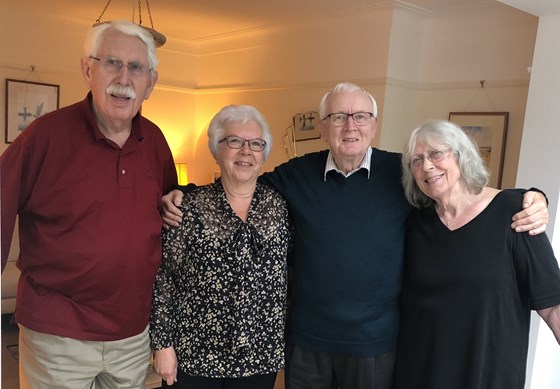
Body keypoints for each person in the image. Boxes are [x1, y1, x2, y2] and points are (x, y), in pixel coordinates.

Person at [161, 83, 548, 389]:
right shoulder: (296, 174)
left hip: (375, 345)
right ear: (324, 125)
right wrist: (187, 192)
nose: (350, 127)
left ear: (373, 125)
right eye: (339, 117)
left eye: (360, 116)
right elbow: (241, 180)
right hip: (307, 341)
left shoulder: (402, 173)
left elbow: (456, 197)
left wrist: (529, 197)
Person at [0, 20, 177, 388]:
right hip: (58, 334)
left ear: (151, 84)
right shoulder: (44, 136)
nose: (124, 79)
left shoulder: (156, 141)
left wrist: (180, 196)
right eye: (111, 62)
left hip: (131, 335)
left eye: (136, 68)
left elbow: (166, 208)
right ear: (87, 70)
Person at [393, 120, 560, 388]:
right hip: (420, 373)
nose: (426, 166)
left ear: (461, 156)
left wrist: (537, 196)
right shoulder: (414, 224)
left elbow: (552, 304)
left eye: (436, 154)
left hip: (487, 374)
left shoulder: (514, 212)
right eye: (416, 160)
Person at [150, 104, 293, 389]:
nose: (246, 151)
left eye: (255, 144)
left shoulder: (278, 207)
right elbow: (164, 279)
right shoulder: (189, 208)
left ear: (263, 154)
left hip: (258, 355)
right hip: (196, 354)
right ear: (217, 150)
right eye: (234, 141)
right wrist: (162, 346)